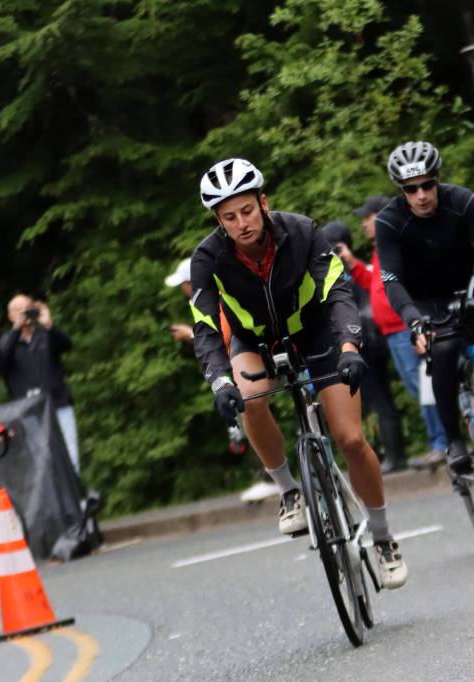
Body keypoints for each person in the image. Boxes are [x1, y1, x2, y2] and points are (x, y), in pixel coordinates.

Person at [190, 158, 406, 588]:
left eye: (247, 210)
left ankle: (383, 539)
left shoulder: (303, 231)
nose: (242, 223)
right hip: (257, 342)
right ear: (219, 220)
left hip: (317, 332)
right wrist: (219, 381)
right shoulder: (208, 258)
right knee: (250, 402)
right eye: (229, 217)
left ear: (263, 203)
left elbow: (338, 290)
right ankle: (289, 490)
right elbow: (206, 328)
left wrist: (348, 347)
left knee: (350, 438)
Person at [374, 140, 474, 496]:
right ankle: (454, 443)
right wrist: (414, 319)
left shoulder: (462, 202)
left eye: (427, 185)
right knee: (444, 356)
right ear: (401, 190)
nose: (421, 195)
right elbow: (392, 280)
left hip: (469, 294)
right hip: (426, 305)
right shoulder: (389, 221)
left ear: (437, 180)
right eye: (411, 189)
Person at [343, 195, 448, 468]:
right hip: (393, 331)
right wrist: (353, 264)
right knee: (422, 387)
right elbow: (376, 285)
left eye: (367, 218)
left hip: (404, 328)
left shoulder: (398, 243)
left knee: (425, 386)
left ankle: (443, 441)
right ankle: (442, 439)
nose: (364, 224)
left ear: (380, 217)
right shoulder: (381, 250)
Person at [164, 259, 272, 502]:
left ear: (192, 282)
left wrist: (190, 335)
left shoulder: (216, 297)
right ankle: (266, 476)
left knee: (251, 414)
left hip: (241, 365)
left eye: (183, 284)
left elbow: (222, 336)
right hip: (230, 369)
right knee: (246, 421)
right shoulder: (202, 301)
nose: (182, 290)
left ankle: (268, 477)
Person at [322, 220, 408, 474]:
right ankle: (392, 453)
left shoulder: (337, 274)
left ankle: (394, 455)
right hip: (375, 338)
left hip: (360, 345)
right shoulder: (356, 266)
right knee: (383, 399)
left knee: (378, 401)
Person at [0, 295, 81, 474]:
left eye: (27, 309)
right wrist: (16, 330)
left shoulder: (46, 334)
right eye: (19, 311)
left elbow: (67, 344)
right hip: (30, 410)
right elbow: (1, 359)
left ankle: (77, 498)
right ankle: (54, 501)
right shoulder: (8, 342)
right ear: (10, 316)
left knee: (70, 454)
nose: (24, 314)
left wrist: (49, 324)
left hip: (58, 403)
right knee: (42, 459)